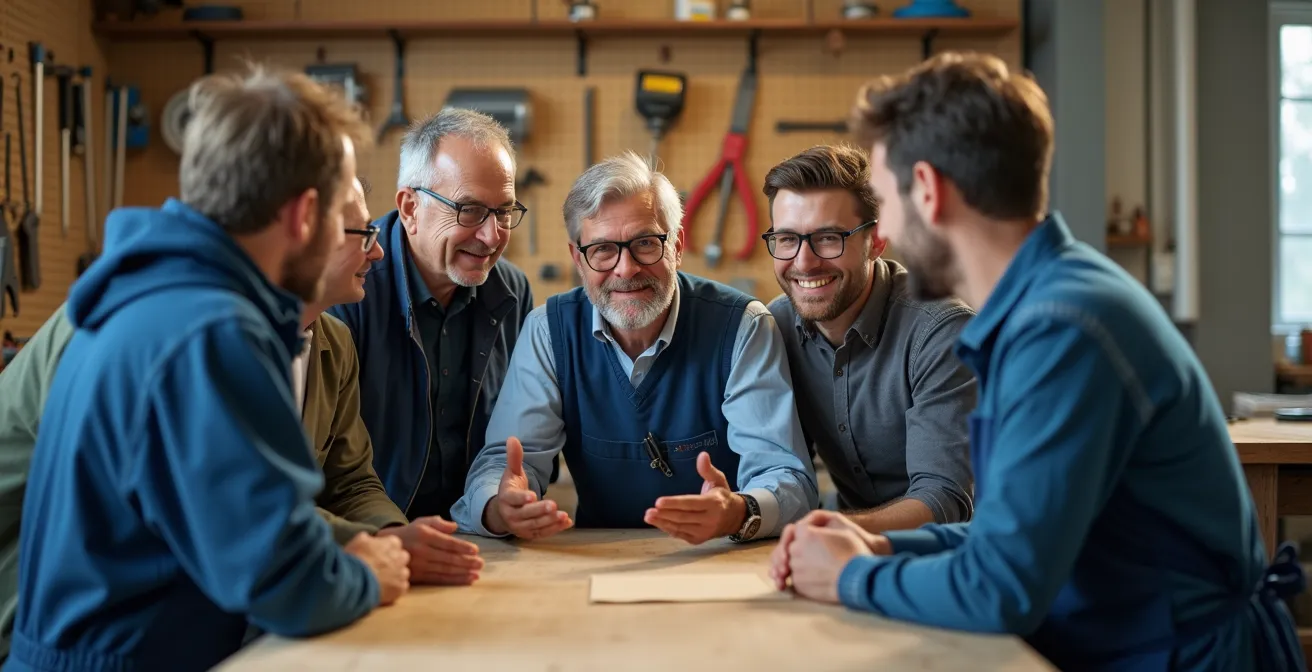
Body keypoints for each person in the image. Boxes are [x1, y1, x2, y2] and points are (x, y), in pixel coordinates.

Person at [769, 52, 1306, 671]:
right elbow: (1013, 534)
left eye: (885, 202)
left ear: (928, 190)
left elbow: (1003, 589)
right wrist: (883, 545)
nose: (886, 226)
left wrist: (852, 578)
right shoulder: (1043, 305)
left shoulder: (1062, 329)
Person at [4, 64, 411, 672]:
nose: (360, 241)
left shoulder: (142, 298)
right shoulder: (211, 332)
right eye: (340, 216)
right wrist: (362, 573)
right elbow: (284, 579)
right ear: (303, 216)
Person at [450, 151, 819, 544]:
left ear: (676, 245)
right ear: (578, 258)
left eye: (645, 243)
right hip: (596, 562)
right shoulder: (547, 333)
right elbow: (502, 468)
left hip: (719, 559)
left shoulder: (744, 326)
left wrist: (739, 511)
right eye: (603, 249)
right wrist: (499, 506)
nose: (626, 269)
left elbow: (788, 477)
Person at [328, 108, 534, 525]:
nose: (492, 236)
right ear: (409, 207)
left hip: (477, 535)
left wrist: (501, 503)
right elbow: (334, 472)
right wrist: (390, 537)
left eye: (503, 212)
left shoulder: (511, 291)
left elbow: (516, 439)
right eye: (470, 210)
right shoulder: (347, 289)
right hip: (371, 540)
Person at [761, 144, 976, 533]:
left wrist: (835, 530)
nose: (804, 262)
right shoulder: (774, 326)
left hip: (954, 556)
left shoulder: (940, 332)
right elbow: (779, 466)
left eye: (828, 238)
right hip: (850, 549)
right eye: (787, 239)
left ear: (876, 240)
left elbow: (946, 498)